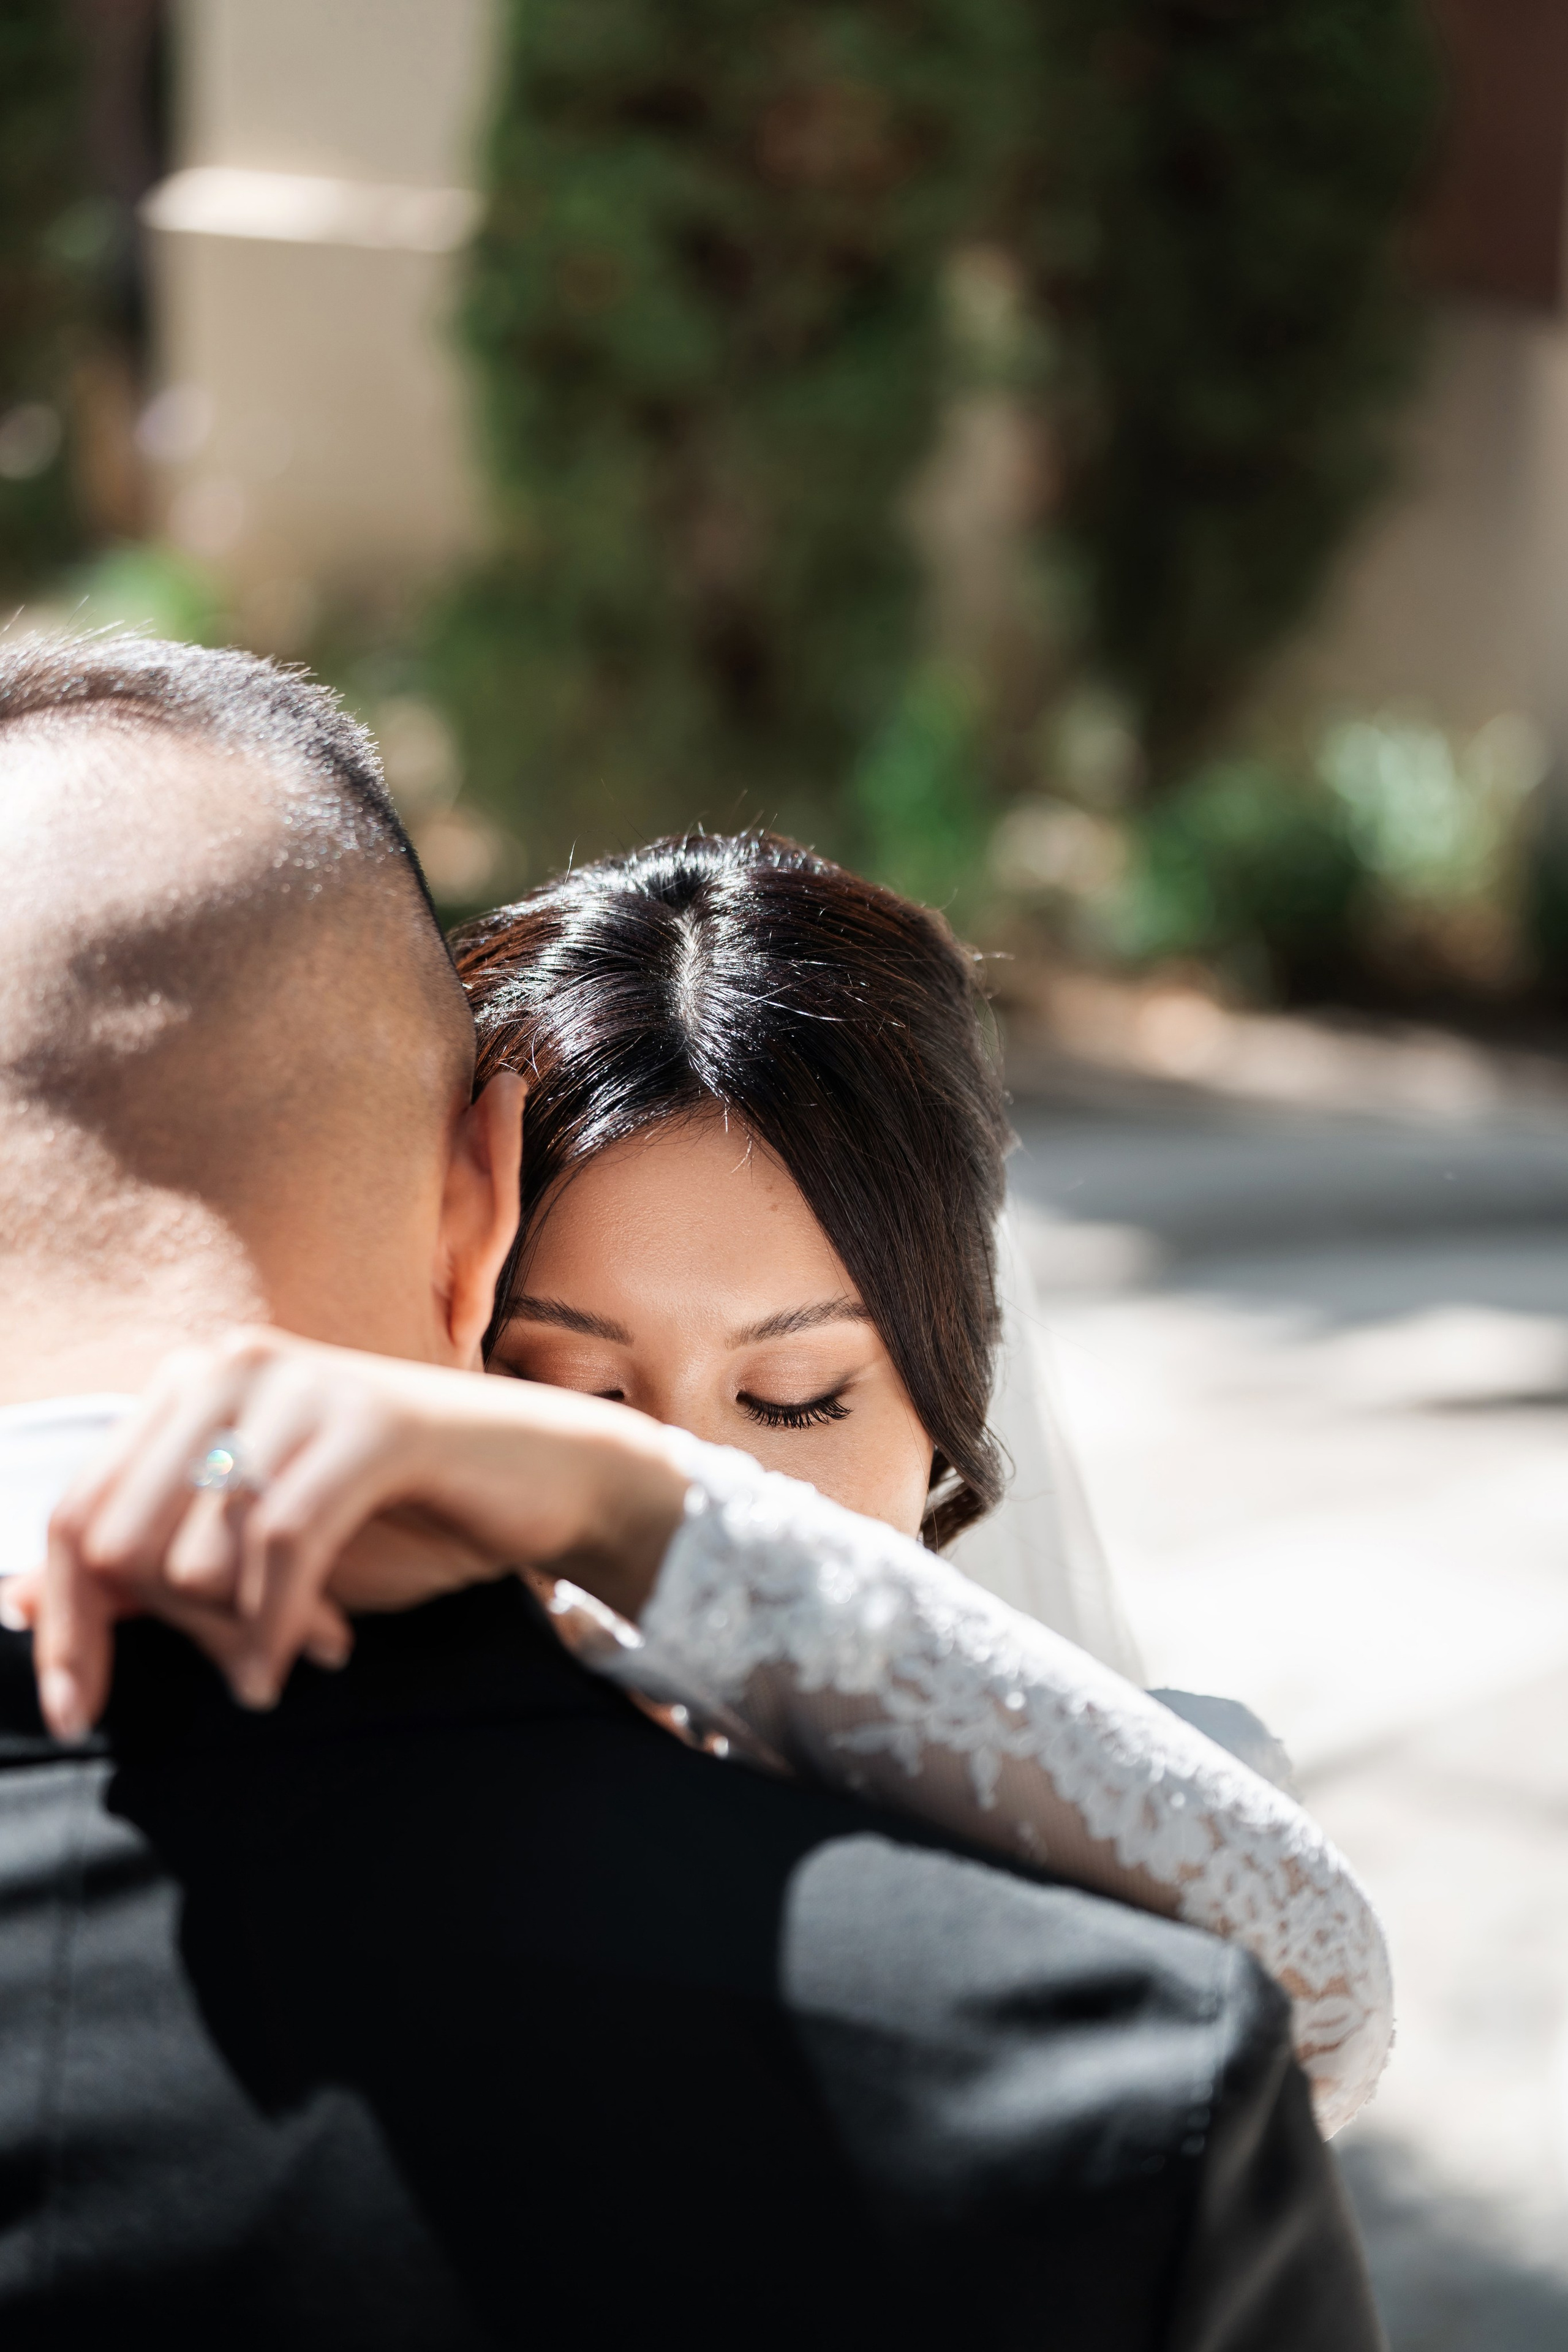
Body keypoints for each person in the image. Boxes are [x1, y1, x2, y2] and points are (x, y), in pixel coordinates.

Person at [0, 634, 1385, 2349]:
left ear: (946, 1423)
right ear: (447, 1306)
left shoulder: (1090, 1846)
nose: (694, 1462)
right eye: (565, 1389)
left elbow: (1324, 1986)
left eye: (795, 1400)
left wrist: (623, 1502)